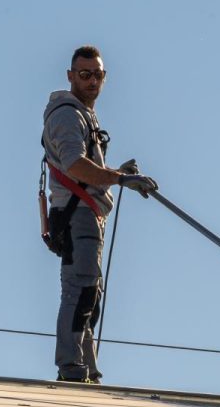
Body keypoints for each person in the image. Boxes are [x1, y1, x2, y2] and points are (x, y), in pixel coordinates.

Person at [40, 45, 156, 383]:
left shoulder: (82, 114)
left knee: (90, 292)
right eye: (84, 74)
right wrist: (120, 179)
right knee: (81, 290)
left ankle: (85, 367)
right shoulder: (67, 114)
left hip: (86, 214)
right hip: (78, 216)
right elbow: (76, 165)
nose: (92, 81)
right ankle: (72, 366)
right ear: (70, 76)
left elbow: (81, 167)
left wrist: (117, 173)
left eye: (97, 75)